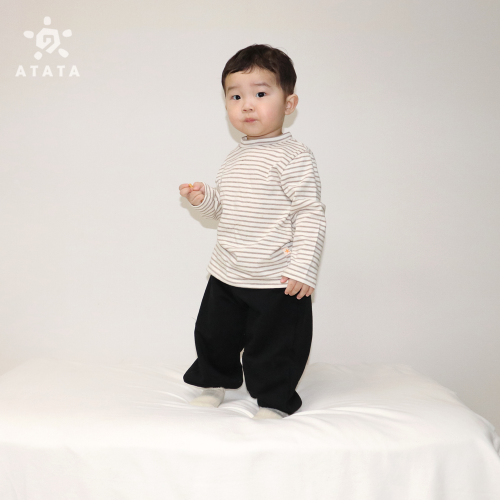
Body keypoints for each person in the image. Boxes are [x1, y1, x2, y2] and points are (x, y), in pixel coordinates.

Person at [179, 44, 326, 419]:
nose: (247, 105)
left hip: (277, 276)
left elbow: (309, 211)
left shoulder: (294, 156)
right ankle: (213, 380)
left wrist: (303, 266)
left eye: (260, 94)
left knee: (277, 344)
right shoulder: (235, 156)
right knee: (214, 333)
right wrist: (204, 199)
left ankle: (275, 399)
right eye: (235, 96)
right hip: (228, 269)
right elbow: (224, 211)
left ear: (289, 104)